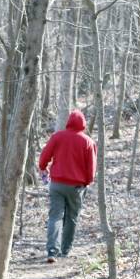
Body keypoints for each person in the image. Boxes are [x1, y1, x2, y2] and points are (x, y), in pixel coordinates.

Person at [38, 110, 97, 263]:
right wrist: (87, 182)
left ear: (68, 122)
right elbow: (91, 170)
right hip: (76, 187)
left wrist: (43, 167)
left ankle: (52, 250)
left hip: (57, 184)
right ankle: (65, 250)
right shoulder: (88, 142)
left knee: (55, 217)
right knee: (71, 218)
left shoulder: (58, 137)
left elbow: (44, 158)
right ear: (83, 124)